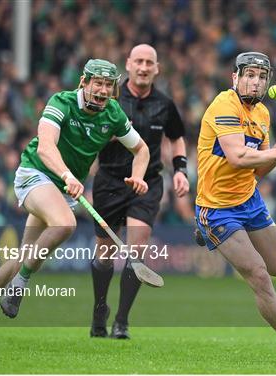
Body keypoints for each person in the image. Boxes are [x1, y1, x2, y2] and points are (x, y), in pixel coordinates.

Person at [0, 59, 150, 341]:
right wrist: (67, 175)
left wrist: (139, 176)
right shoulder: (61, 102)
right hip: (36, 173)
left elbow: (142, 149)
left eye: (108, 85)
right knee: (64, 224)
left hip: (61, 188)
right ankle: (19, 285)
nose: (103, 89)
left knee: (23, 256)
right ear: (83, 82)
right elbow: (47, 146)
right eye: (97, 82)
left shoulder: (113, 114)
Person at [194, 52, 276, 363]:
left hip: (250, 201)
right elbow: (238, 157)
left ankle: (204, 233)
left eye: (261, 77)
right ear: (235, 78)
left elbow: (257, 171)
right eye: (249, 75)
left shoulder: (263, 114)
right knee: (260, 276)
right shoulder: (224, 106)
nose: (255, 82)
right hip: (217, 207)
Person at [89, 44, 189, 339]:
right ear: (129, 65)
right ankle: (99, 309)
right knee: (105, 254)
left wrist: (181, 170)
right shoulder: (109, 97)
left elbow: (177, 138)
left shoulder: (165, 104)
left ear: (157, 69)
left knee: (136, 252)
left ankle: (121, 320)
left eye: (150, 63)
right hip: (109, 180)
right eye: (139, 62)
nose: (144, 67)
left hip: (147, 182)